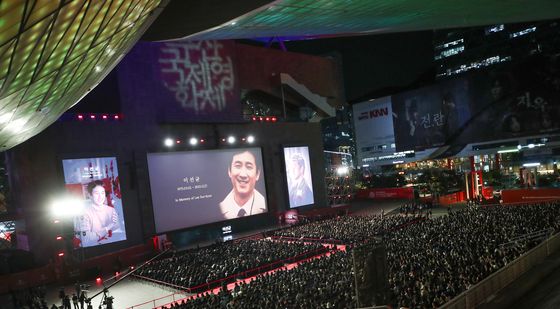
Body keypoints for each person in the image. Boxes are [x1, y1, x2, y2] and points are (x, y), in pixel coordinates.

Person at [219, 150, 267, 219]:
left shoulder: (265, 204)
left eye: (249, 167)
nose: (243, 174)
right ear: (229, 171)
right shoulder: (220, 208)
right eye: (238, 166)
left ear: (258, 174)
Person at [76, 180, 121, 246]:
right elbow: (86, 239)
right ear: (90, 195)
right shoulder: (84, 213)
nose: (100, 196)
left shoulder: (111, 210)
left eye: (102, 193)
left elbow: (117, 230)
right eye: (96, 193)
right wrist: (108, 227)